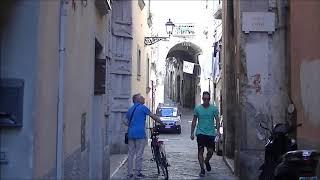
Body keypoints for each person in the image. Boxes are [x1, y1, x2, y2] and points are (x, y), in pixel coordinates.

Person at [125, 93, 164, 178]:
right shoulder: (143, 108)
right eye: (142, 98)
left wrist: (132, 126)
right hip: (140, 134)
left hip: (131, 134)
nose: (144, 99)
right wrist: (161, 122)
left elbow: (125, 121)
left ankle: (129, 173)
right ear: (137, 100)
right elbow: (153, 116)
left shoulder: (130, 109)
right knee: (139, 154)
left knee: (130, 154)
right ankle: (137, 173)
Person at [190, 91, 220, 177]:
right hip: (200, 133)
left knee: (210, 151)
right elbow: (194, 121)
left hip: (210, 134)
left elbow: (217, 120)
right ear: (202, 99)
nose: (206, 100)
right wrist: (192, 133)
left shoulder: (214, 109)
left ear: (209, 99)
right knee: (200, 152)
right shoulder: (198, 109)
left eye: (208, 99)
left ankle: (206, 161)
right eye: (204, 99)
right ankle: (202, 169)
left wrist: (217, 131)